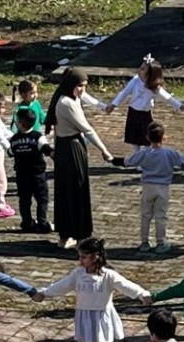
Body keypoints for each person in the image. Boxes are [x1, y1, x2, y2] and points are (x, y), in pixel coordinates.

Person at [36, 237, 151, 342]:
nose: (80, 261)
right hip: (84, 315)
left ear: (95, 257)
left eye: (84, 257)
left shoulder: (108, 275)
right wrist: (45, 292)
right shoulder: (78, 275)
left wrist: (142, 294)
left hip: (101, 316)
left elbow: (126, 285)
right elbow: (62, 285)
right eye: (80, 257)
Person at [47, 68, 114, 249]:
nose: (82, 90)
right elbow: (87, 129)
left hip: (68, 146)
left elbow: (88, 101)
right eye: (80, 86)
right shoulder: (66, 103)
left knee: (71, 190)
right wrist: (104, 149)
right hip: (71, 149)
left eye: (84, 86)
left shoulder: (70, 98)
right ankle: (75, 232)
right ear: (71, 85)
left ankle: (72, 232)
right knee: (74, 189)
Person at [112, 121, 184, 253]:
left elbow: (127, 162)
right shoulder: (169, 152)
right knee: (161, 216)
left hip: (147, 187)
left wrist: (112, 159)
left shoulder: (144, 153)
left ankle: (144, 242)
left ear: (147, 137)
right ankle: (160, 242)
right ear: (164, 137)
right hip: (163, 187)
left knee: (145, 215)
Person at [105, 54, 183, 154]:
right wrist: (113, 105)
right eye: (140, 67)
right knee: (134, 137)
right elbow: (124, 93)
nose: (139, 70)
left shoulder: (154, 86)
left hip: (145, 113)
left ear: (150, 74)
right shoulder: (135, 80)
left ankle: (145, 156)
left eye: (143, 69)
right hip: (133, 111)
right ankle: (137, 155)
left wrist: (179, 105)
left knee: (146, 137)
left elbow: (167, 97)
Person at [9, 107, 54, 233]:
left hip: (22, 176)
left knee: (24, 200)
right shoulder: (37, 137)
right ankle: (42, 223)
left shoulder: (14, 139)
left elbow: (10, 152)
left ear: (19, 123)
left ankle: (27, 222)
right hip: (37, 175)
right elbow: (46, 149)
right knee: (42, 199)